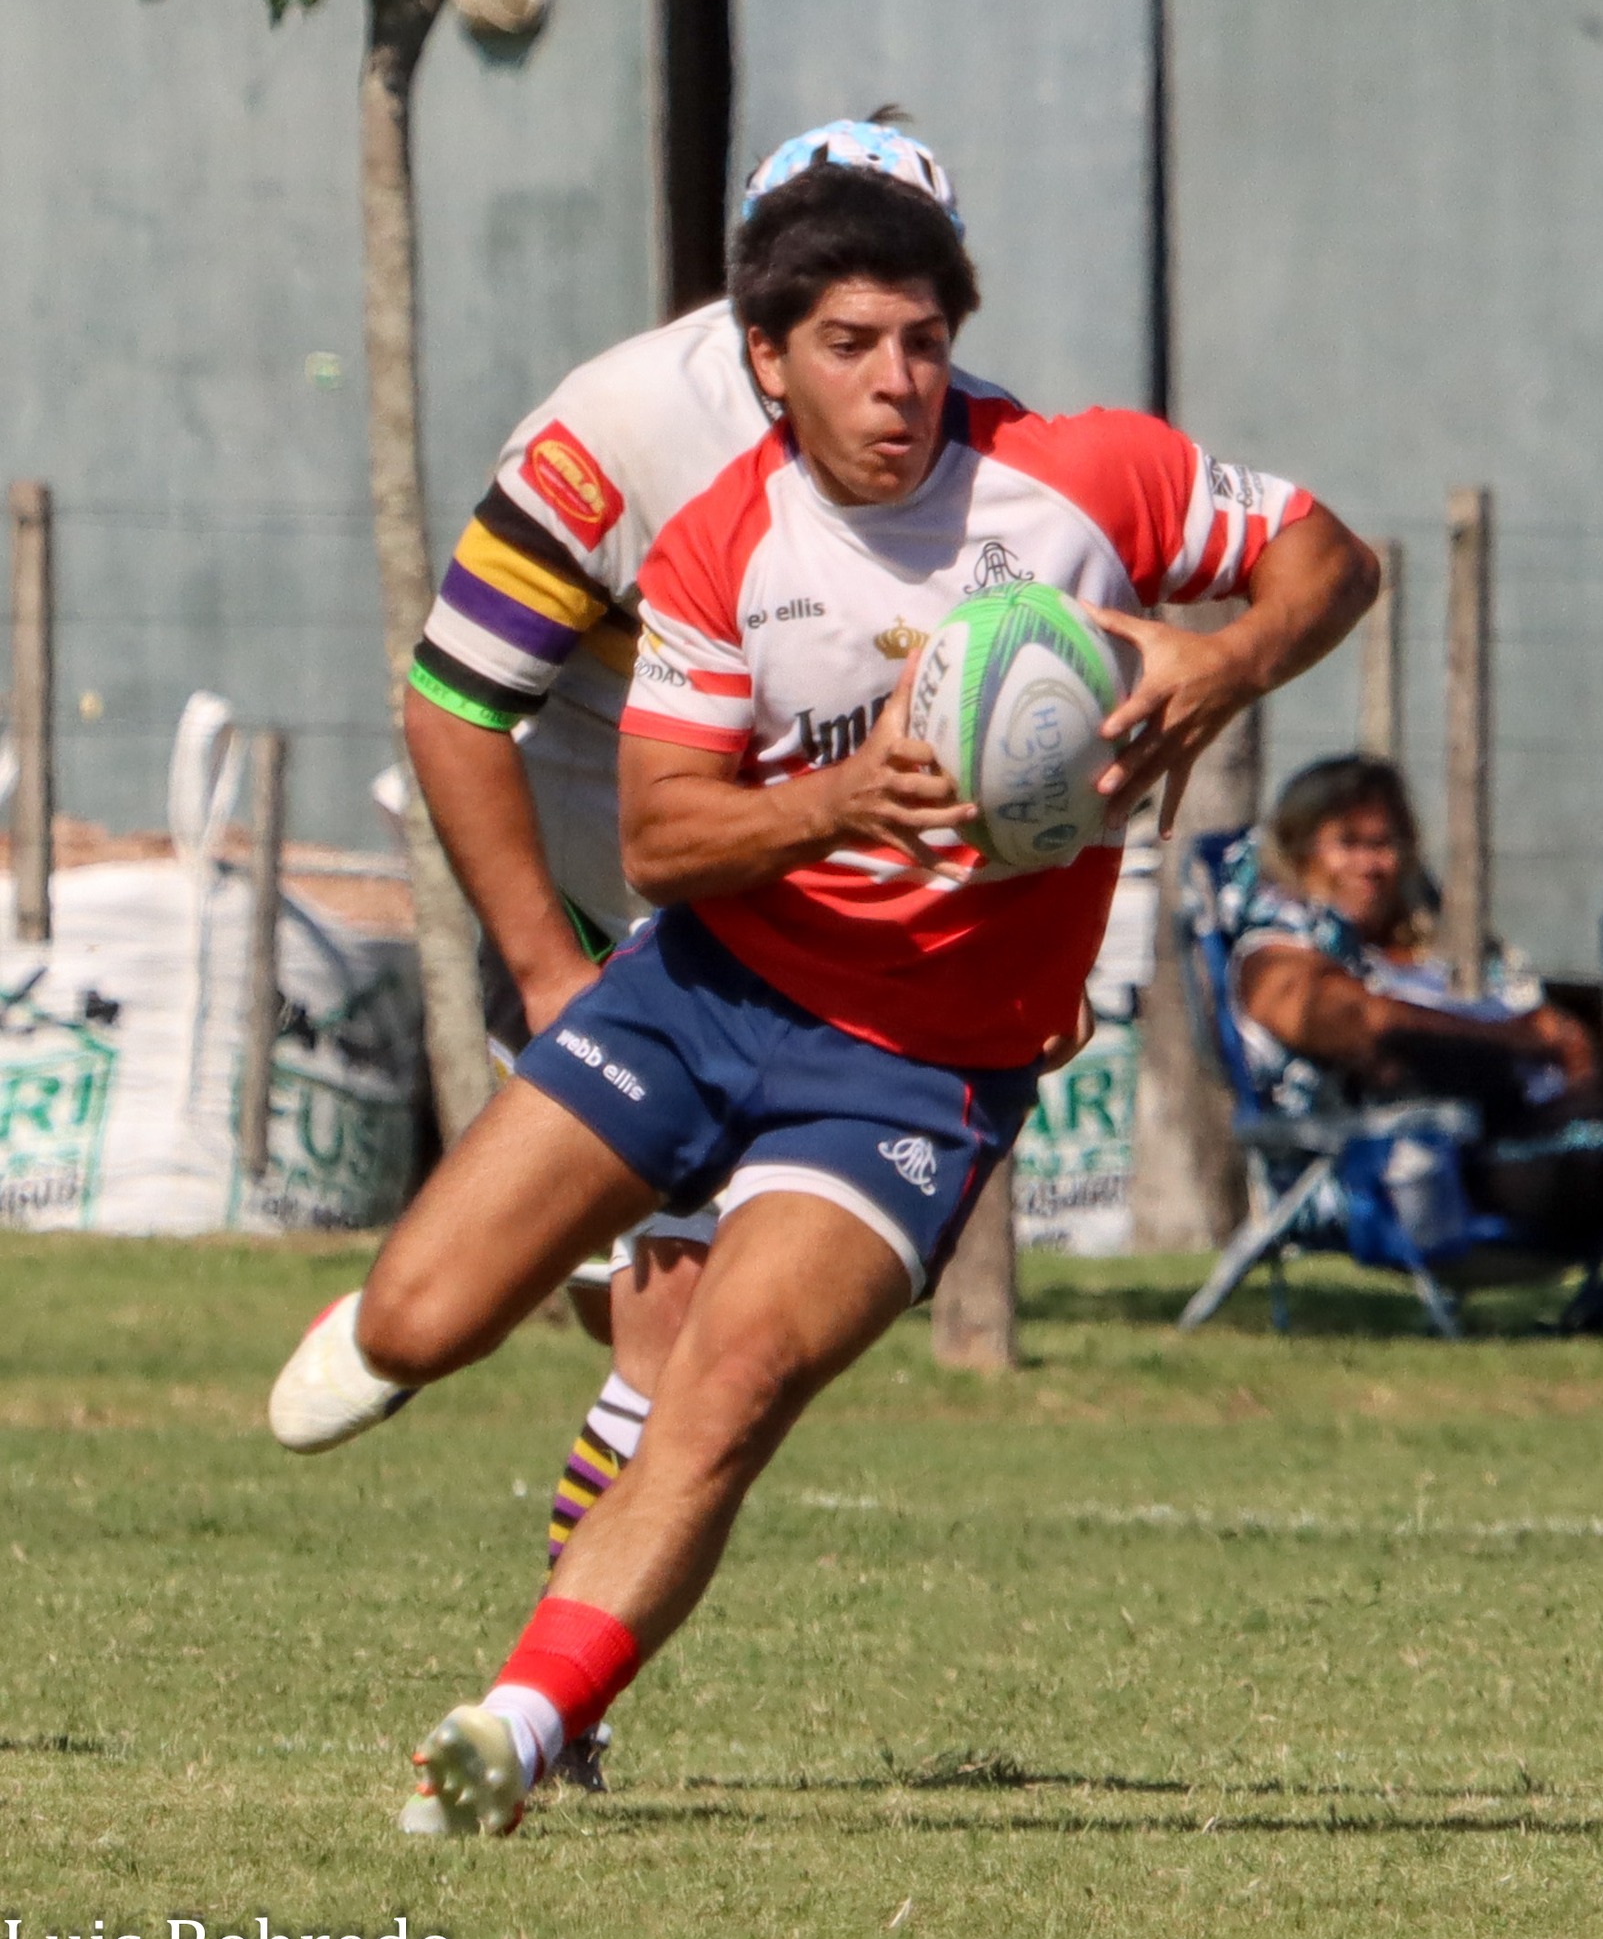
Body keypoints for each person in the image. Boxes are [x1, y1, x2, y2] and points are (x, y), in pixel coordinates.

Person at [337, 155, 1377, 1835]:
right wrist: (843, 800)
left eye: (921, 340)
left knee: (734, 1378)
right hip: (699, 989)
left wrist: (1224, 653)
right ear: (764, 358)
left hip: (913, 1065)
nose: (895, 383)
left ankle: (520, 1729)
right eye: (846, 344)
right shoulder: (717, 541)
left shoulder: (1084, 479)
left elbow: (1330, 555)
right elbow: (668, 835)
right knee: (417, 1322)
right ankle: (597, 1379)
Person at [268, 122, 1000, 1756]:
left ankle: (549, 1703)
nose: (889, 352)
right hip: (617, 871)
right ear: (758, 308)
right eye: (835, 295)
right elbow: (455, 703)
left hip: (803, 913)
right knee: (641, 1313)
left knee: (692, 1321)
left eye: (914, 299)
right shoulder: (617, 431)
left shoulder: (941, 431)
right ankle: (419, 1332)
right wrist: (546, 966)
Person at [1220, 754, 1603, 1256]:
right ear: (1298, 849)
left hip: (1529, 1128)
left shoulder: (1408, 947)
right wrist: (1528, 1037)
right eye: (1348, 844)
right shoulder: (1276, 957)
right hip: (1415, 1172)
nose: (1372, 865)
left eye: (1385, 844)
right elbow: (1363, 1020)